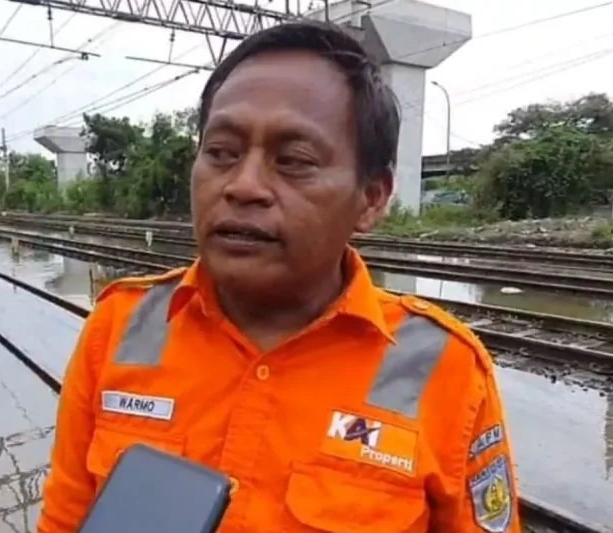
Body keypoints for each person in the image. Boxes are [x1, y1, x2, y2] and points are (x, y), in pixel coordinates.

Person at [37, 20, 521, 533]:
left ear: (372, 198)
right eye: (221, 153)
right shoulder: (119, 328)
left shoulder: (448, 372)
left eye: (293, 161)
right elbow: (65, 521)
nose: (243, 186)